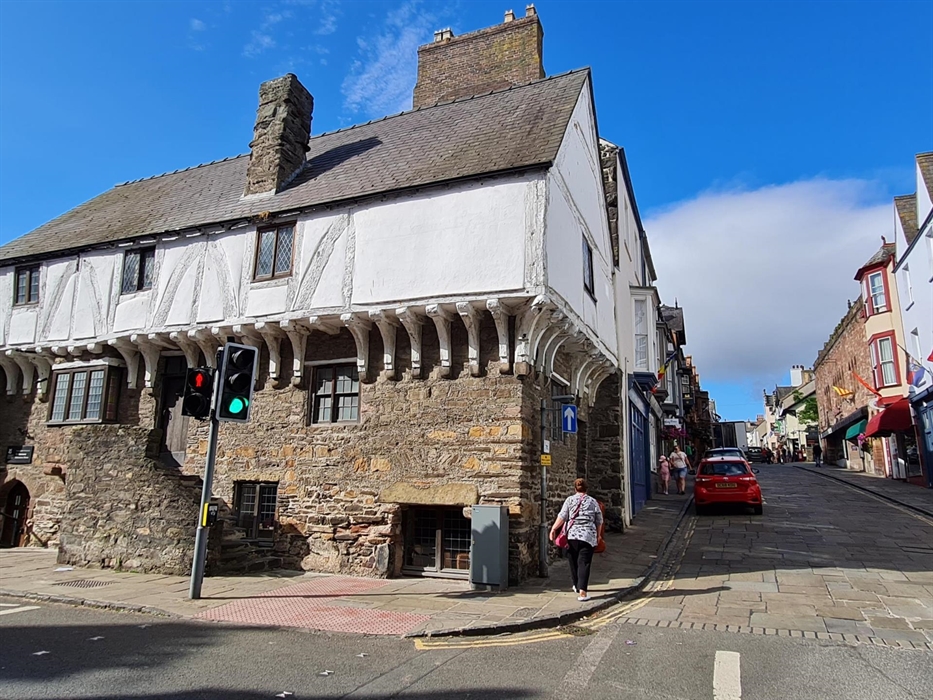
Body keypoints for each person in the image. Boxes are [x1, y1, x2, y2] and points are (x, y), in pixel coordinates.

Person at [549, 478, 604, 602]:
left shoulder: (570, 500)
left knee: (573, 562)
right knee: (584, 563)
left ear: (575, 488)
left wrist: (553, 529)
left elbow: (562, 516)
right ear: (587, 488)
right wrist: (598, 535)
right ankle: (583, 592)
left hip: (572, 536)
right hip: (587, 537)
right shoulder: (593, 501)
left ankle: (576, 585)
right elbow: (599, 521)